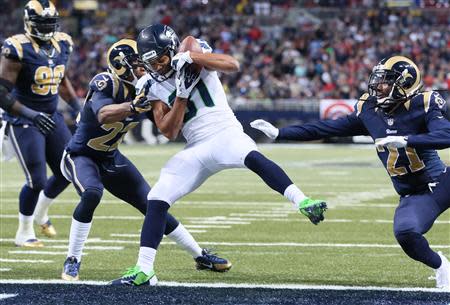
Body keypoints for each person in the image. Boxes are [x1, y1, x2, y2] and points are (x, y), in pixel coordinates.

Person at [111, 24, 327, 286]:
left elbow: (232, 64)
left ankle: (302, 201)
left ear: (171, 50)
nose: (156, 66)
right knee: (156, 197)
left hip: (225, 132)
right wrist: (181, 95)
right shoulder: (149, 84)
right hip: (195, 146)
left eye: (161, 59)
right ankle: (145, 270)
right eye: (151, 62)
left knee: (252, 156)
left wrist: (192, 58)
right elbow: (168, 130)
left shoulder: (190, 50)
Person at [251, 55, 450, 290]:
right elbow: (325, 128)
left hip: (442, 181)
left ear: (405, 84)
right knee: (405, 233)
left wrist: (407, 140)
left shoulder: (425, 103)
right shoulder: (369, 109)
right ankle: (442, 266)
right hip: (414, 194)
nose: (378, 86)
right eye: (378, 80)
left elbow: (446, 135)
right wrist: (280, 134)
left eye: (386, 81)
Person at [60, 39, 231, 281]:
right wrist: (132, 105)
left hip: (111, 157)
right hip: (80, 155)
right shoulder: (106, 81)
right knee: (92, 193)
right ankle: (73, 258)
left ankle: (199, 255)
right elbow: (102, 114)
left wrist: (184, 94)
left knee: (153, 203)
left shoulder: (148, 87)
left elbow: (167, 126)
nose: (145, 67)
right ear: (121, 66)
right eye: (138, 63)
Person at [0, 0, 80, 247]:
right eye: (41, 24)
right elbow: (1, 94)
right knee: (37, 180)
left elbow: (61, 79)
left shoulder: (63, 43)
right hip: (23, 118)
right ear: (29, 23)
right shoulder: (18, 48)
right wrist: (31, 115)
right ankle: (24, 232)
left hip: (51, 115)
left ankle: (41, 213)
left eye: (50, 24)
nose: (46, 29)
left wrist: (78, 107)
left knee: (67, 170)